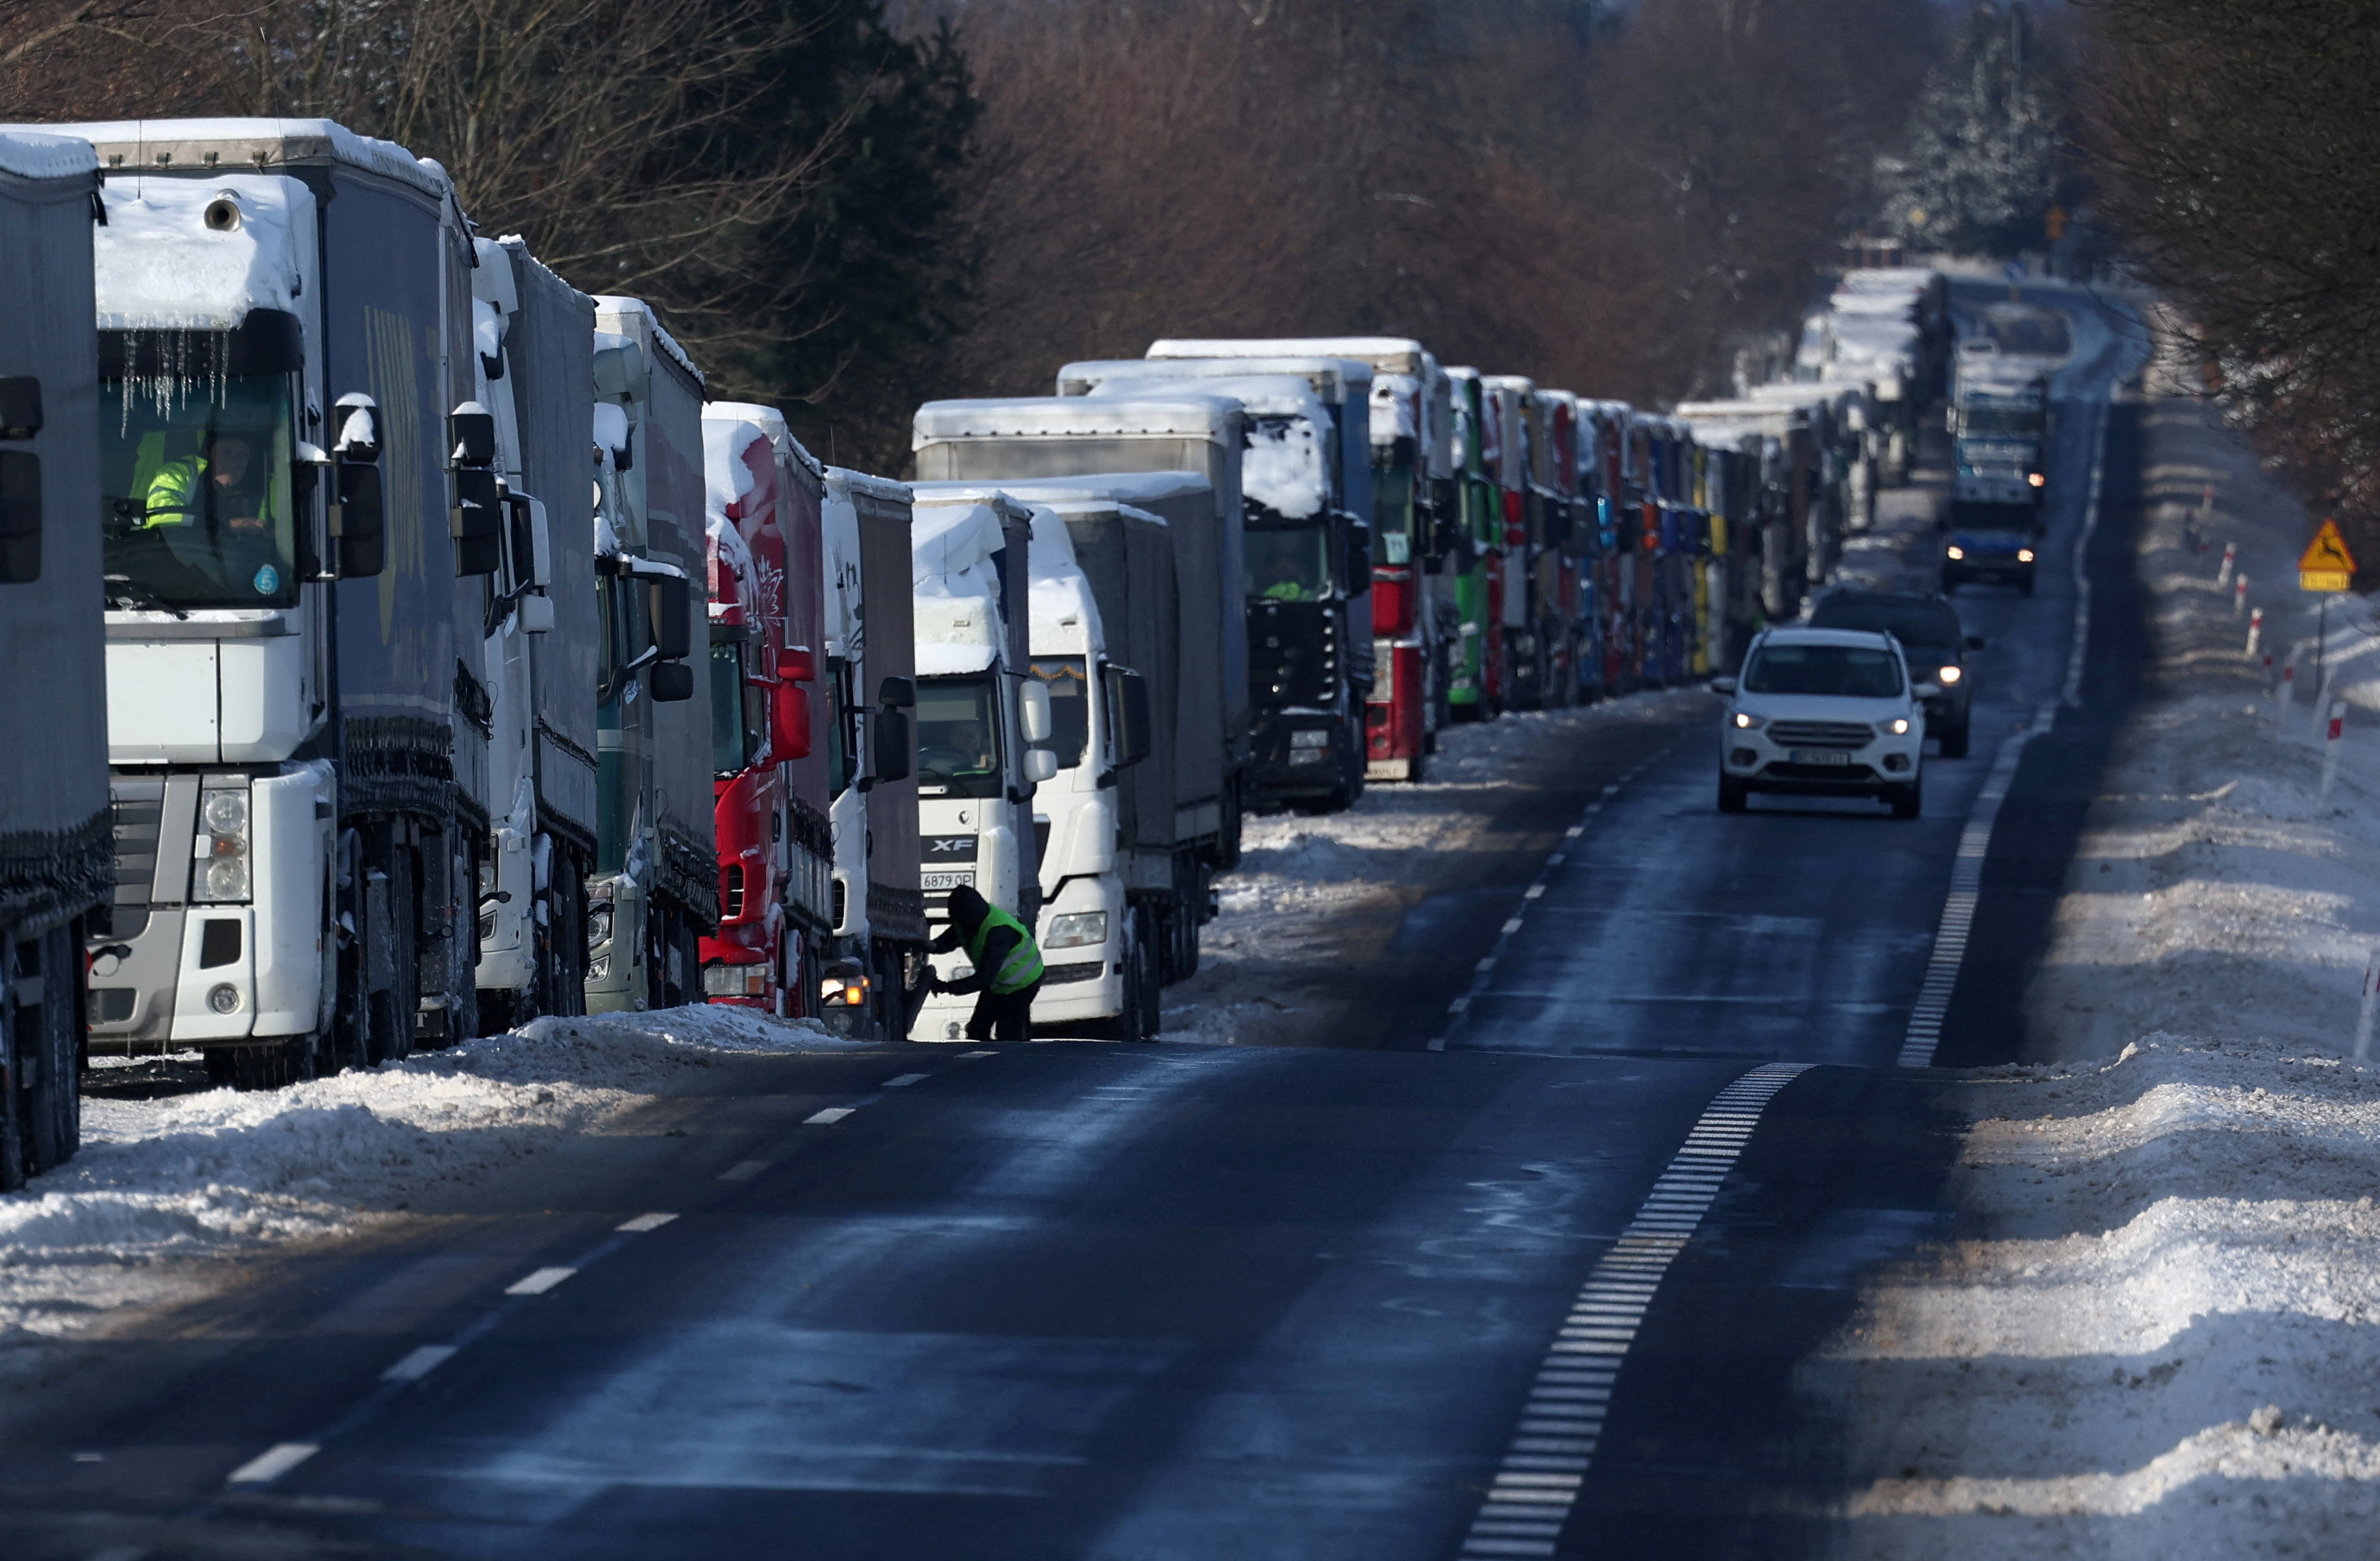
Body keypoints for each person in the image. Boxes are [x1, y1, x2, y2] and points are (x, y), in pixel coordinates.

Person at [927, 883, 1043, 1042]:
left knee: (1009, 1035)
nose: (958, 926)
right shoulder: (967, 921)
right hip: (999, 984)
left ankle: (1014, 1062)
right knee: (977, 1030)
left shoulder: (998, 932)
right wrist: (925, 946)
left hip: (1023, 984)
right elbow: (944, 944)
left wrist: (947, 987)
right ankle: (995, 1059)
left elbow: (983, 979)